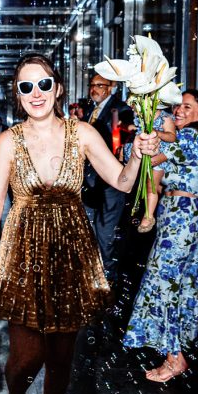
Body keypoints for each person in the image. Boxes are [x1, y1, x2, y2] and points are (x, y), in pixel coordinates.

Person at [0, 54, 159, 394]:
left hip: (70, 251)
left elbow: (122, 181)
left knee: (61, 355)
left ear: (58, 88)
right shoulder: (8, 141)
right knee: (25, 356)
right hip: (24, 254)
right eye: (26, 87)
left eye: (44, 84)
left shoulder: (82, 133)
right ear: (17, 95)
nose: (36, 93)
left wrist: (138, 153)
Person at [123, 89, 198, 382]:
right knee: (174, 284)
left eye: (187, 107)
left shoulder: (191, 137)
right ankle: (174, 352)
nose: (179, 110)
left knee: (165, 283)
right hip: (173, 215)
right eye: (178, 106)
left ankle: (175, 358)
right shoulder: (178, 138)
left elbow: (153, 155)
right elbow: (149, 165)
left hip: (182, 216)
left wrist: (147, 131)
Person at [82, 72, 136, 277]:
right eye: (92, 85)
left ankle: (108, 278)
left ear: (111, 87)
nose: (94, 89)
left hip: (110, 180)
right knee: (89, 229)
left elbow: (126, 136)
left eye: (99, 85)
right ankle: (93, 274)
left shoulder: (120, 110)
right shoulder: (90, 110)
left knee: (106, 232)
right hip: (90, 181)